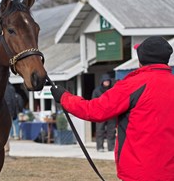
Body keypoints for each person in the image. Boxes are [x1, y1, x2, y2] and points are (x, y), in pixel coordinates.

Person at [51, 36, 174, 181]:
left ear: (141, 60)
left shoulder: (132, 85)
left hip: (139, 173)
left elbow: (94, 110)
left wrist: (64, 98)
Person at [92, 74, 116, 152]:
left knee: (111, 131)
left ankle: (111, 147)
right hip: (101, 113)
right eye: (105, 81)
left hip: (111, 113)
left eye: (108, 81)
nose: (107, 83)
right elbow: (93, 102)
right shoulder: (97, 91)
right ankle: (100, 147)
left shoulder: (113, 89)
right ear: (102, 82)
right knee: (100, 130)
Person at [4, 81, 16, 153]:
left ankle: (5, 148)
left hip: (3, 111)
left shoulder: (1, 87)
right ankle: (6, 148)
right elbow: (13, 101)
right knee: (7, 131)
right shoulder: (11, 88)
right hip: (10, 111)